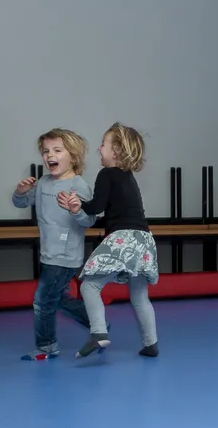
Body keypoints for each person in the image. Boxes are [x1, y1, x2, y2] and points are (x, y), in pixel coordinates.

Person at [60, 123, 157, 359]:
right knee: (139, 296)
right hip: (143, 239)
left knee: (89, 286)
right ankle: (151, 344)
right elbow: (117, 214)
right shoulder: (128, 178)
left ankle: (98, 333)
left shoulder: (107, 174)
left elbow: (96, 207)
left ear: (116, 151)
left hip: (124, 238)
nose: (99, 148)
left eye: (103, 144)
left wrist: (77, 205)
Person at [13, 129, 95, 361]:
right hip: (48, 252)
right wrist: (19, 193)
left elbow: (89, 220)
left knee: (42, 301)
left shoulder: (79, 185)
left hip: (66, 254)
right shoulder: (43, 183)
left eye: (57, 150)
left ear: (73, 156)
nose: (50, 155)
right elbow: (20, 203)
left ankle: (47, 345)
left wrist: (76, 210)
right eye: (46, 151)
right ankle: (97, 324)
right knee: (58, 298)